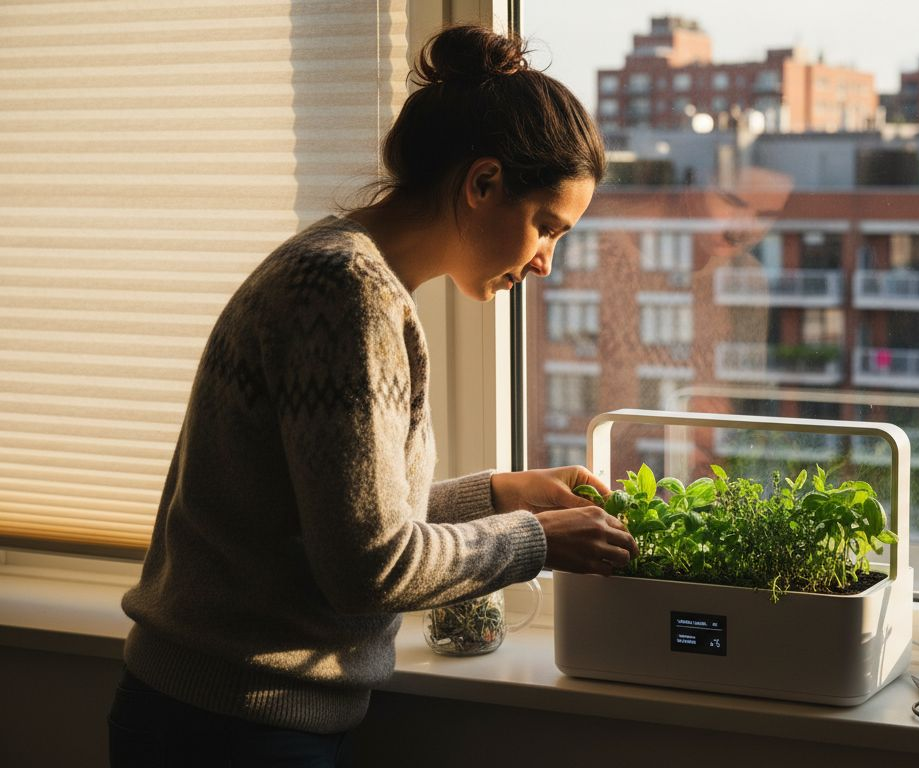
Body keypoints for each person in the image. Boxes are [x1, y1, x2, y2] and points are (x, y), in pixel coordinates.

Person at [107, 24, 636, 767]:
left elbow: (325, 516)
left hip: (221, 718)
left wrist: (499, 494)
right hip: (232, 731)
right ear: (483, 185)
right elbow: (369, 569)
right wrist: (540, 541)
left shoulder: (340, 272)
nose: (547, 262)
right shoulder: (346, 293)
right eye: (547, 227)